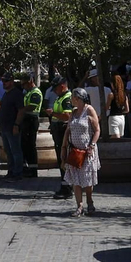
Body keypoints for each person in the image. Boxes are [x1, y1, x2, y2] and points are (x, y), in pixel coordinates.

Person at [63, 88, 102, 216]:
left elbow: (97, 130)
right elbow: (68, 130)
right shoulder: (73, 113)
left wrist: (92, 145)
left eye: (73, 97)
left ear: (78, 98)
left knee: (87, 179)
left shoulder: (89, 110)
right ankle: (79, 206)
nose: (71, 100)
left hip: (87, 151)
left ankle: (89, 201)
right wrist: (63, 147)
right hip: (75, 151)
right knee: (76, 179)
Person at [48, 77, 73, 199]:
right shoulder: (61, 97)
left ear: (62, 86)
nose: (54, 91)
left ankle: (67, 187)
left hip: (63, 132)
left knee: (64, 159)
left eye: (56, 88)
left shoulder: (67, 98)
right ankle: (65, 186)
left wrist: (52, 113)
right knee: (61, 160)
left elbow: (67, 116)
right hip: (58, 132)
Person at [0, 75, 26, 181]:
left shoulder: (17, 94)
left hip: (12, 127)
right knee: (8, 151)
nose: (4, 83)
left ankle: (17, 173)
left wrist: (16, 125)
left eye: (6, 81)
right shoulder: (6, 94)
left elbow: (21, 110)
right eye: (3, 81)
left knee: (16, 151)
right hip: (4, 127)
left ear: (12, 82)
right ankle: (11, 171)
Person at [19, 74, 44, 177]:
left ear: (30, 81)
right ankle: (26, 166)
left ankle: (33, 169)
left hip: (31, 120)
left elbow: (32, 107)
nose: (23, 86)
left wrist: (21, 110)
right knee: (24, 144)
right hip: (25, 119)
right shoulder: (27, 92)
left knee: (30, 145)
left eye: (24, 84)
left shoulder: (36, 92)